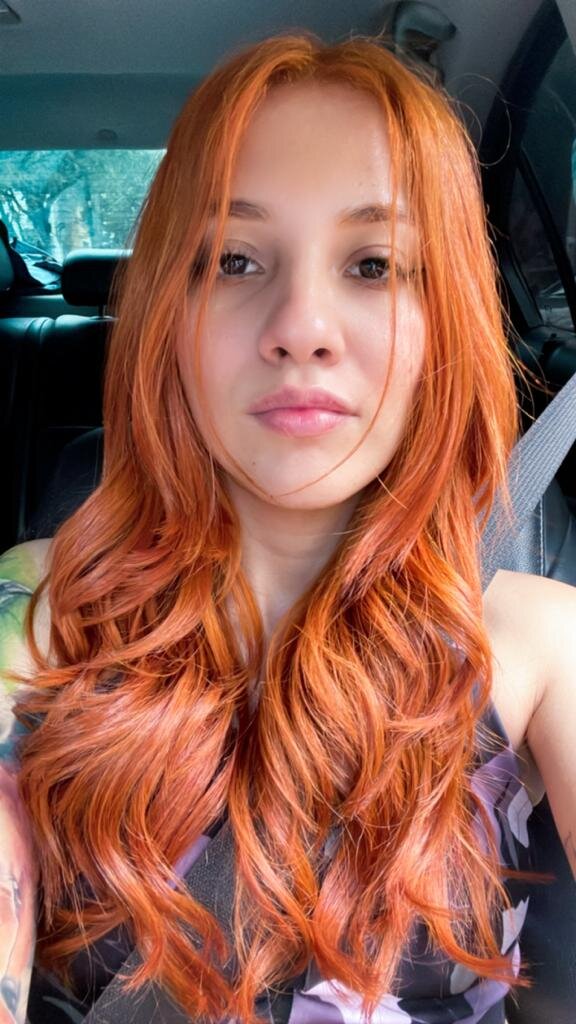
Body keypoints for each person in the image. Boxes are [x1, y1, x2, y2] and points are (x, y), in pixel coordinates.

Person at [0, 30, 575, 1024]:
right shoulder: (38, 616)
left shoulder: (539, 641)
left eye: (373, 263)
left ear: (443, 321)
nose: (301, 325)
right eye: (234, 259)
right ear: (169, 314)